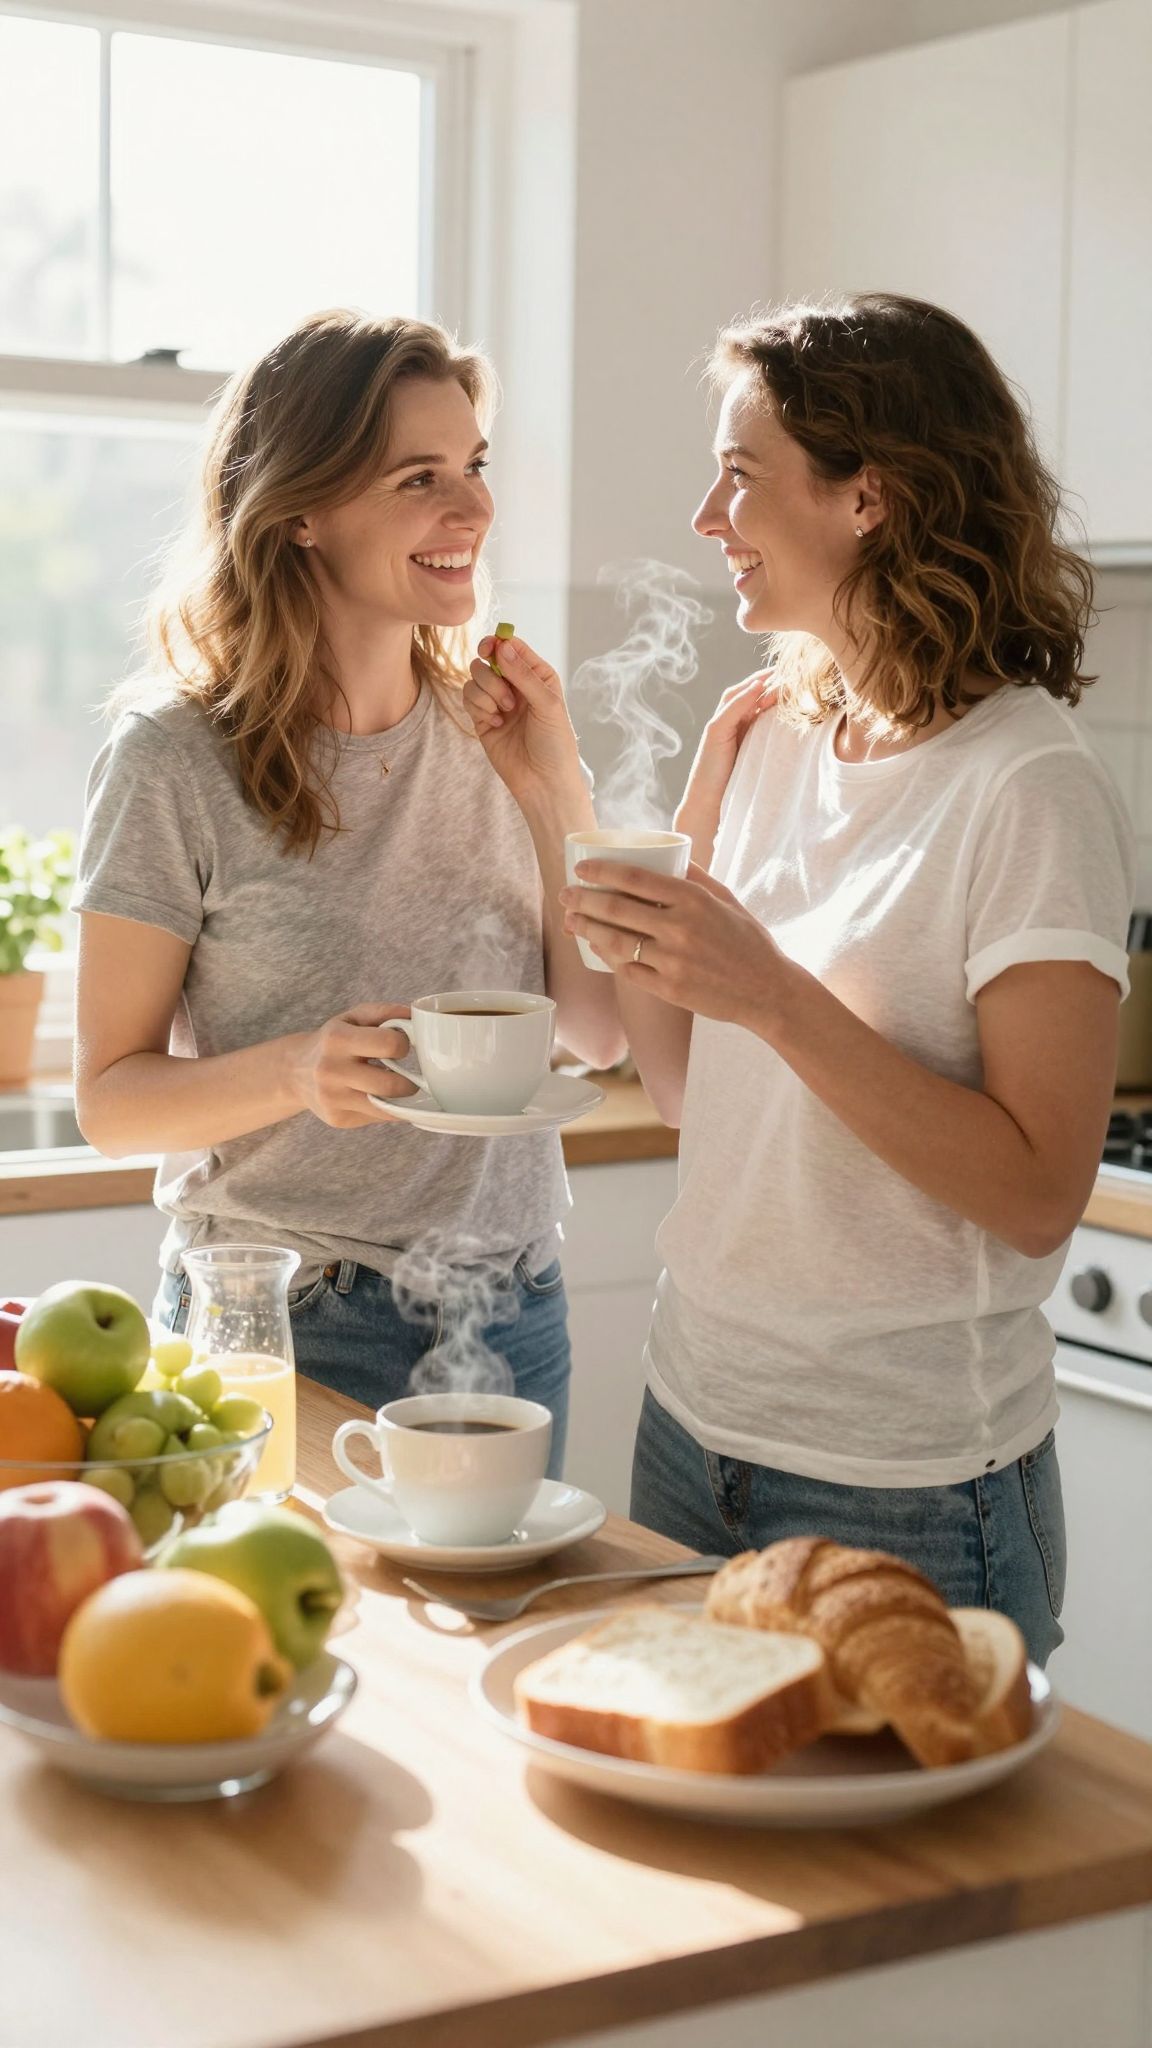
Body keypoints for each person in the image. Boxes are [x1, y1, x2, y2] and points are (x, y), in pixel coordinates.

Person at [478, 295, 1132, 1664]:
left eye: (740, 475)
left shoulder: (1030, 787)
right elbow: (675, 1078)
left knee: (918, 1875)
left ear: (868, 498)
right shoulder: (779, 735)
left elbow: (1033, 1194)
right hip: (693, 1429)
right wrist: (569, 785)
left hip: (908, 1492)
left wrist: (772, 992)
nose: (709, 517)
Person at [72, 309, 623, 1473]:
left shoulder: (500, 728)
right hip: (288, 1319)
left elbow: (595, 1028)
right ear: (302, 511)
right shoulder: (175, 756)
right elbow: (113, 1099)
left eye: (474, 466)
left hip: (511, 1310)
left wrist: (558, 791)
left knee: (500, 1647)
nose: (472, 509)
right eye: (420, 477)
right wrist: (294, 1072)